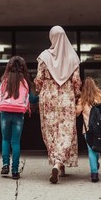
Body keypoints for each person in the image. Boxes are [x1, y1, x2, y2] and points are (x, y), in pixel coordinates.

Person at [34, 25, 82, 184]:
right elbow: (76, 82)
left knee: (51, 131)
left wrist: (40, 90)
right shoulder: (73, 58)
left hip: (48, 97)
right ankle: (59, 164)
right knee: (66, 131)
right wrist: (77, 97)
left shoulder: (44, 56)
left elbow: (39, 80)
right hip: (66, 98)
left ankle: (57, 162)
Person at [0, 56, 38, 180]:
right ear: (23, 68)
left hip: (5, 113)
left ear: (9, 67)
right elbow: (33, 99)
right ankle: (14, 171)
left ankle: (5, 165)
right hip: (19, 114)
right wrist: (44, 95)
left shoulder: (5, 80)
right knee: (16, 142)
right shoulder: (25, 82)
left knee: (5, 139)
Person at [76, 77, 101, 182]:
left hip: (88, 129)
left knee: (91, 150)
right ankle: (95, 165)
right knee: (96, 148)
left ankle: (94, 173)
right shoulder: (100, 97)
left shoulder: (82, 100)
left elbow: (77, 113)